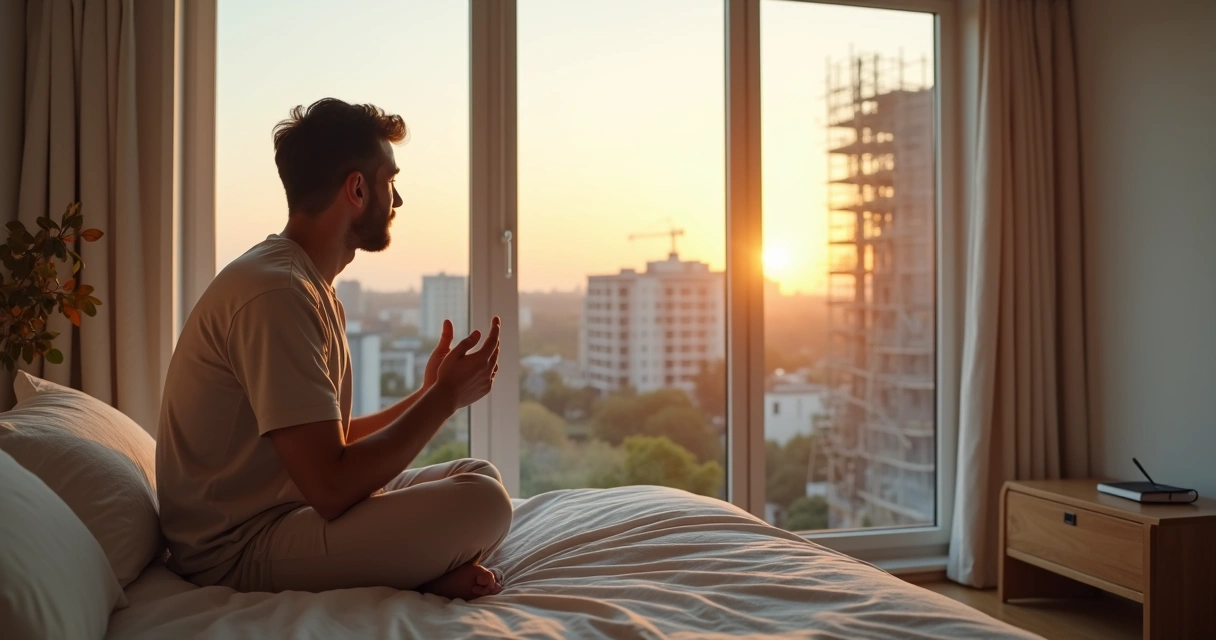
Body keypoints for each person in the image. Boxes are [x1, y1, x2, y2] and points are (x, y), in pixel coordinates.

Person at [156, 98, 512, 600]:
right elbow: (330, 486)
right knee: (484, 503)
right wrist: (443, 400)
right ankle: (420, 573)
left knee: (477, 475)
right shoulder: (276, 294)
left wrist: (428, 393)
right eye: (390, 181)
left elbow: (332, 445)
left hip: (289, 512)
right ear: (358, 188)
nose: (399, 199)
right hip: (237, 548)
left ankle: (420, 570)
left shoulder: (305, 285)